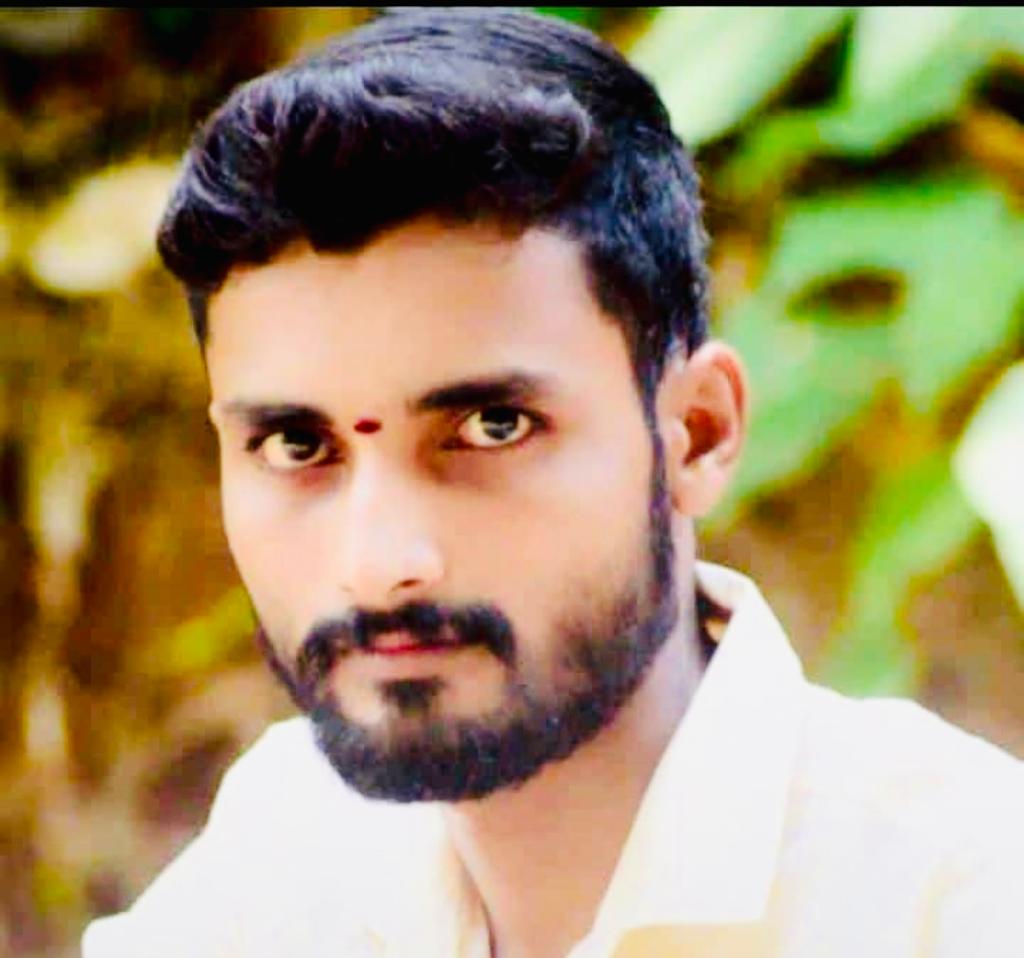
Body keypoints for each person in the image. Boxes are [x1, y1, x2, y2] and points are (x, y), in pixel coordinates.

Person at [82, 8, 1023, 958]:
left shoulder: (959, 903)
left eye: (492, 428)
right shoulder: (282, 859)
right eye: (295, 444)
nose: (378, 564)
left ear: (697, 434)